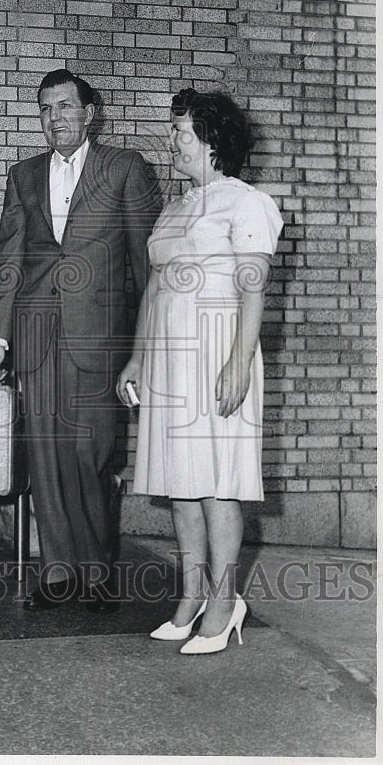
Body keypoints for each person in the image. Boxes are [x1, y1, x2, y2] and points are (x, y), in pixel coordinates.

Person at [117, 87, 283, 653]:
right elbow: (155, 289)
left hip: (217, 353)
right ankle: (189, 597)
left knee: (216, 483)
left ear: (212, 141)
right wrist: (138, 357)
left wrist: (239, 363)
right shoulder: (175, 207)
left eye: (181, 132)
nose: (172, 140)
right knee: (181, 486)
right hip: (168, 357)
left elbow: (253, 289)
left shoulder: (247, 203)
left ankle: (223, 601)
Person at [0, 69, 154, 612]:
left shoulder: (125, 168)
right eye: (44, 108)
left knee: (92, 455)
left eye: (63, 106)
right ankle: (57, 571)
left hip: (98, 338)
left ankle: (99, 571)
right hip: (35, 336)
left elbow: (144, 264)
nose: (53, 117)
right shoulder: (24, 175)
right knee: (44, 458)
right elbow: (9, 260)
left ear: (90, 113)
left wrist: (143, 347)